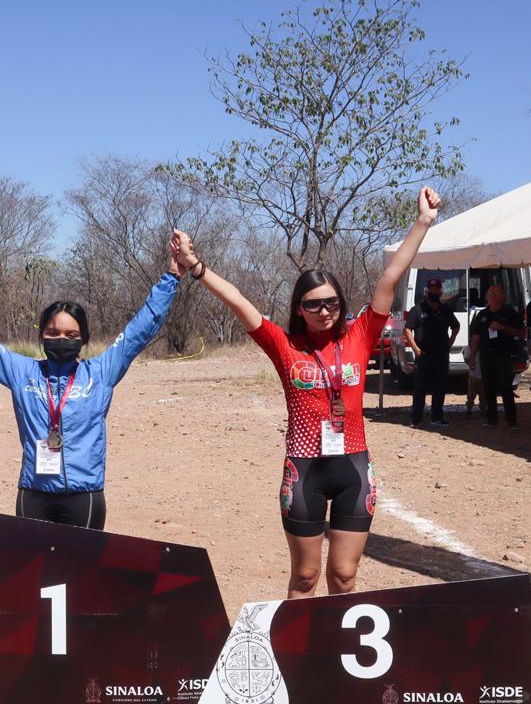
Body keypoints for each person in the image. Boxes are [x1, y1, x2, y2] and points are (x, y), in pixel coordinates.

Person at [171, 187, 441, 599]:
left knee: (345, 577)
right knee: (305, 578)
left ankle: (338, 641)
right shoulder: (284, 345)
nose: (324, 311)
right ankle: (299, 641)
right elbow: (238, 301)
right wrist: (195, 266)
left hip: (353, 468)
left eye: (331, 303)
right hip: (304, 470)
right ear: (299, 308)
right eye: (313, 305)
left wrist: (422, 222)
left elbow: (390, 278)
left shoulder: (360, 334)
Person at [0, 251, 183, 530]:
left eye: (71, 335)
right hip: (33, 493)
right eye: (53, 333)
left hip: (85, 495)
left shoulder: (101, 372)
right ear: (42, 336)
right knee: (29, 561)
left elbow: (140, 329)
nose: (61, 339)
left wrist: (172, 277)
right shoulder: (22, 372)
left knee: (82, 561)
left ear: (83, 339)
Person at [403, 278, 459, 427]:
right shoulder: (417, 309)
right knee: (420, 388)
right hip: (423, 355)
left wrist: (451, 341)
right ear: (427, 292)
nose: (434, 293)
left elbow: (456, 326)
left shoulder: (445, 309)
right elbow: (407, 329)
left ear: (440, 292)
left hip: (441, 355)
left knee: (440, 387)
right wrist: (415, 348)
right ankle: (416, 419)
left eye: (436, 290)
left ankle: (437, 417)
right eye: (431, 290)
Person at [468, 285, 525, 429]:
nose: (493, 295)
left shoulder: (510, 312)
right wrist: (472, 357)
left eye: (497, 293)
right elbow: (475, 337)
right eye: (491, 293)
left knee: (506, 387)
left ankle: (511, 420)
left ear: (503, 296)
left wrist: (503, 328)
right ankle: (491, 418)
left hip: (503, 355)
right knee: (488, 387)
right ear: (486, 297)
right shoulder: (482, 315)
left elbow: (521, 333)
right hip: (485, 355)